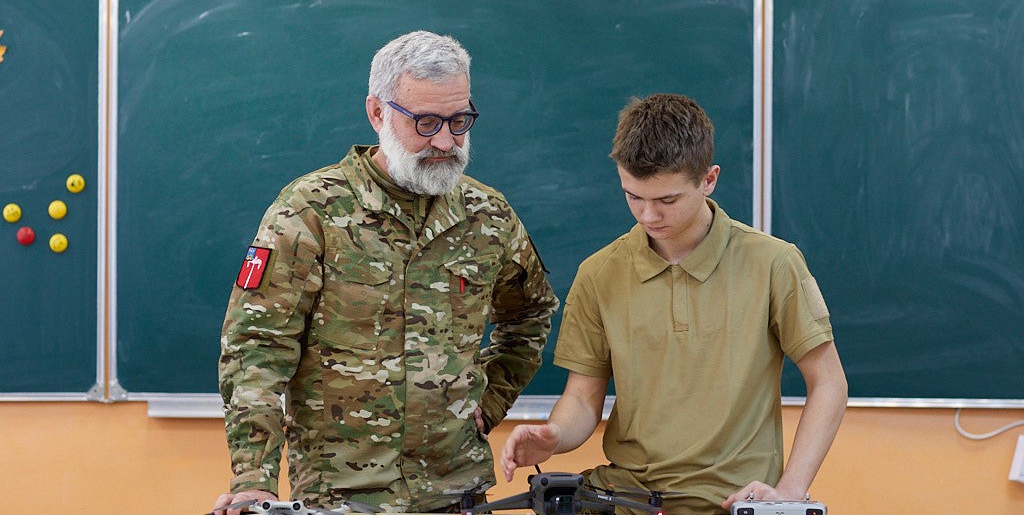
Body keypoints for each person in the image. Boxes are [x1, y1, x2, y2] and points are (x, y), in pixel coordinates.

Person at [213, 30, 559, 514]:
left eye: (459, 120)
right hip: (342, 496)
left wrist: (491, 396)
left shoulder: (488, 216)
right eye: (425, 122)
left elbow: (532, 313)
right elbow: (256, 347)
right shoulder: (311, 212)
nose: (445, 140)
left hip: (456, 493)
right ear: (378, 112)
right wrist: (255, 476)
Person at [499, 94, 847, 514]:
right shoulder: (598, 274)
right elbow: (583, 399)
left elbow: (828, 383)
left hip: (730, 502)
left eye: (667, 200)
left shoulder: (775, 264)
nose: (648, 216)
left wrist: (792, 489)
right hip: (624, 497)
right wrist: (554, 435)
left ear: (709, 179)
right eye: (633, 196)